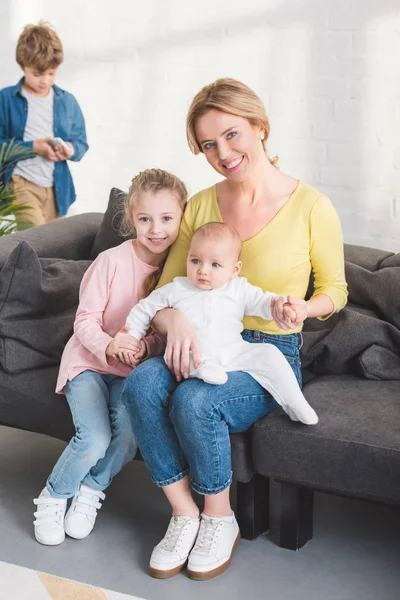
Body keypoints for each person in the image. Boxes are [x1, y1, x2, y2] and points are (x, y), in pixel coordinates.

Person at [121, 78, 348, 581]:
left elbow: (336, 289)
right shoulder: (200, 205)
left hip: (264, 354)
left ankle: (219, 517)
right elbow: (168, 287)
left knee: (195, 400)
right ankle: (183, 511)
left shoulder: (312, 206)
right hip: (200, 344)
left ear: (260, 127)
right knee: (139, 383)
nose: (222, 153)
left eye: (231, 135)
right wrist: (171, 318)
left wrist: (304, 310)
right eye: (207, 144)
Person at [32, 169, 187, 546]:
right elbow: (84, 321)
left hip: (128, 370)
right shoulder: (111, 261)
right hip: (88, 363)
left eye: (167, 218)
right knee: (95, 438)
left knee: (130, 434)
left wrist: (145, 347)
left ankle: (90, 491)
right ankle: (53, 496)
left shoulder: (180, 272)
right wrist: (107, 345)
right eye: (145, 219)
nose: (156, 229)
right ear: (131, 218)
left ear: (182, 217)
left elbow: (160, 335)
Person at [125, 221, 318, 425]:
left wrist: (280, 306)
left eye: (215, 264)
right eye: (195, 261)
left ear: (234, 269)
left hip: (233, 351)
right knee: (187, 356)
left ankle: (295, 402)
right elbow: (144, 308)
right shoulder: (177, 288)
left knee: (269, 353)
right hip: (196, 354)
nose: (203, 271)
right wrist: (130, 336)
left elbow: (263, 301)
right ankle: (201, 370)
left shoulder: (237, 288)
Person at [0, 21, 88, 226]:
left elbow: (81, 143)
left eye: (51, 73)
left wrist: (69, 149)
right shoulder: (6, 99)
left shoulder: (67, 101)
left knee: (50, 246)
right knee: (36, 237)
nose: (45, 81)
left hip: (56, 189)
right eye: (37, 74)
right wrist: (33, 148)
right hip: (21, 183)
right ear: (23, 66)